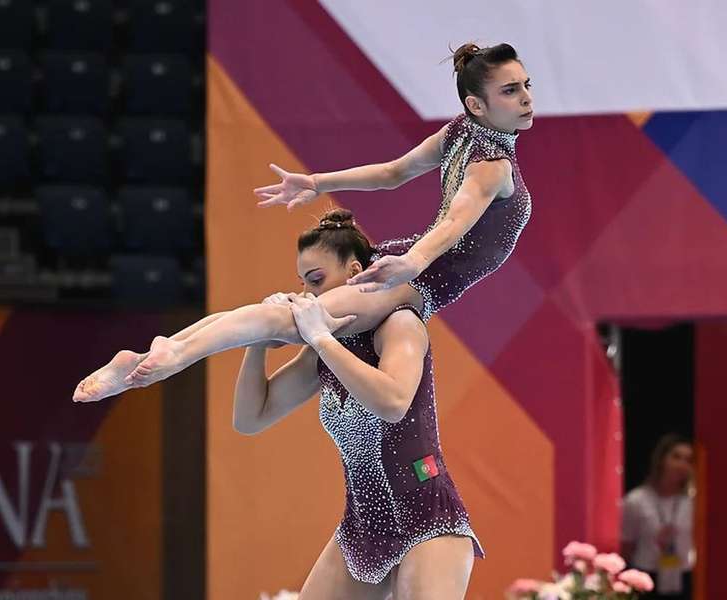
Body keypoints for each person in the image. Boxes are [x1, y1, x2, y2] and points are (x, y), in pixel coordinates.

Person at [73, 41, 533, 407]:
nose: (526, 98)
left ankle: (168, 347)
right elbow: (451, 217)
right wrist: (320, 184)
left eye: (525, 85)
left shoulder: (463, 134)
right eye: (510, 90)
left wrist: (320, 183)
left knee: (283, 323)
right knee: (291, 321)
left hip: (410, 264)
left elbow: (397, 177)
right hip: (417, 279)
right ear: (476, 104)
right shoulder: (489, 164)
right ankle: (172, 355)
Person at [233, 209, 481, 599]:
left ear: (353, 272)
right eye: (303, 285)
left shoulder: (399, 324)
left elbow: (394, 402)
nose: (311, 296)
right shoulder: (321, 353)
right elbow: (251, 418)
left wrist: (322, 339)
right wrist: (257, 344)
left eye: (317, 281)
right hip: (364, 527)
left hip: (429, 521)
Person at [621, 434, 695, 600]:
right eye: (676, 457)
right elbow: (627, 547)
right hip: (646, 577)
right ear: (661, 460)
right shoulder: (636, 500)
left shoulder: (693, 502)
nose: (682, 464)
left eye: (688, 460)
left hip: (684, 576)